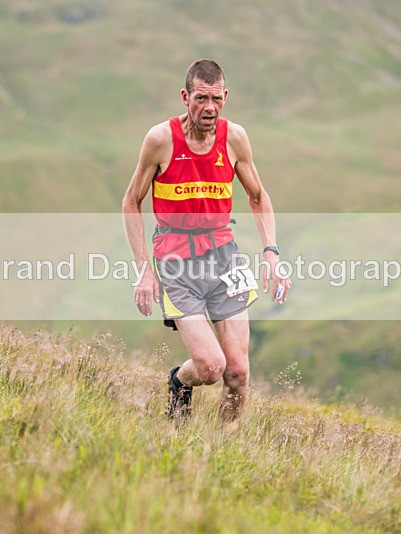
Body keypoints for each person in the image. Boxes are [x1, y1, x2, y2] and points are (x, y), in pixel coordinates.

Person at [122, 59, 291, 423]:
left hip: (225, 259)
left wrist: (271, 254)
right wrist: (143, 271)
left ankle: (225, 451)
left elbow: (259, 196)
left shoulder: (234, 138)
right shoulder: (160, 140)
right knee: (212, 367)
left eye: (216, 99)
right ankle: (179, 382)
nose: (209, 108)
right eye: (201, 98)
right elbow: (131, 201)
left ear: (225, 97)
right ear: (186, 97)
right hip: (175, 262)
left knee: (238, 373)